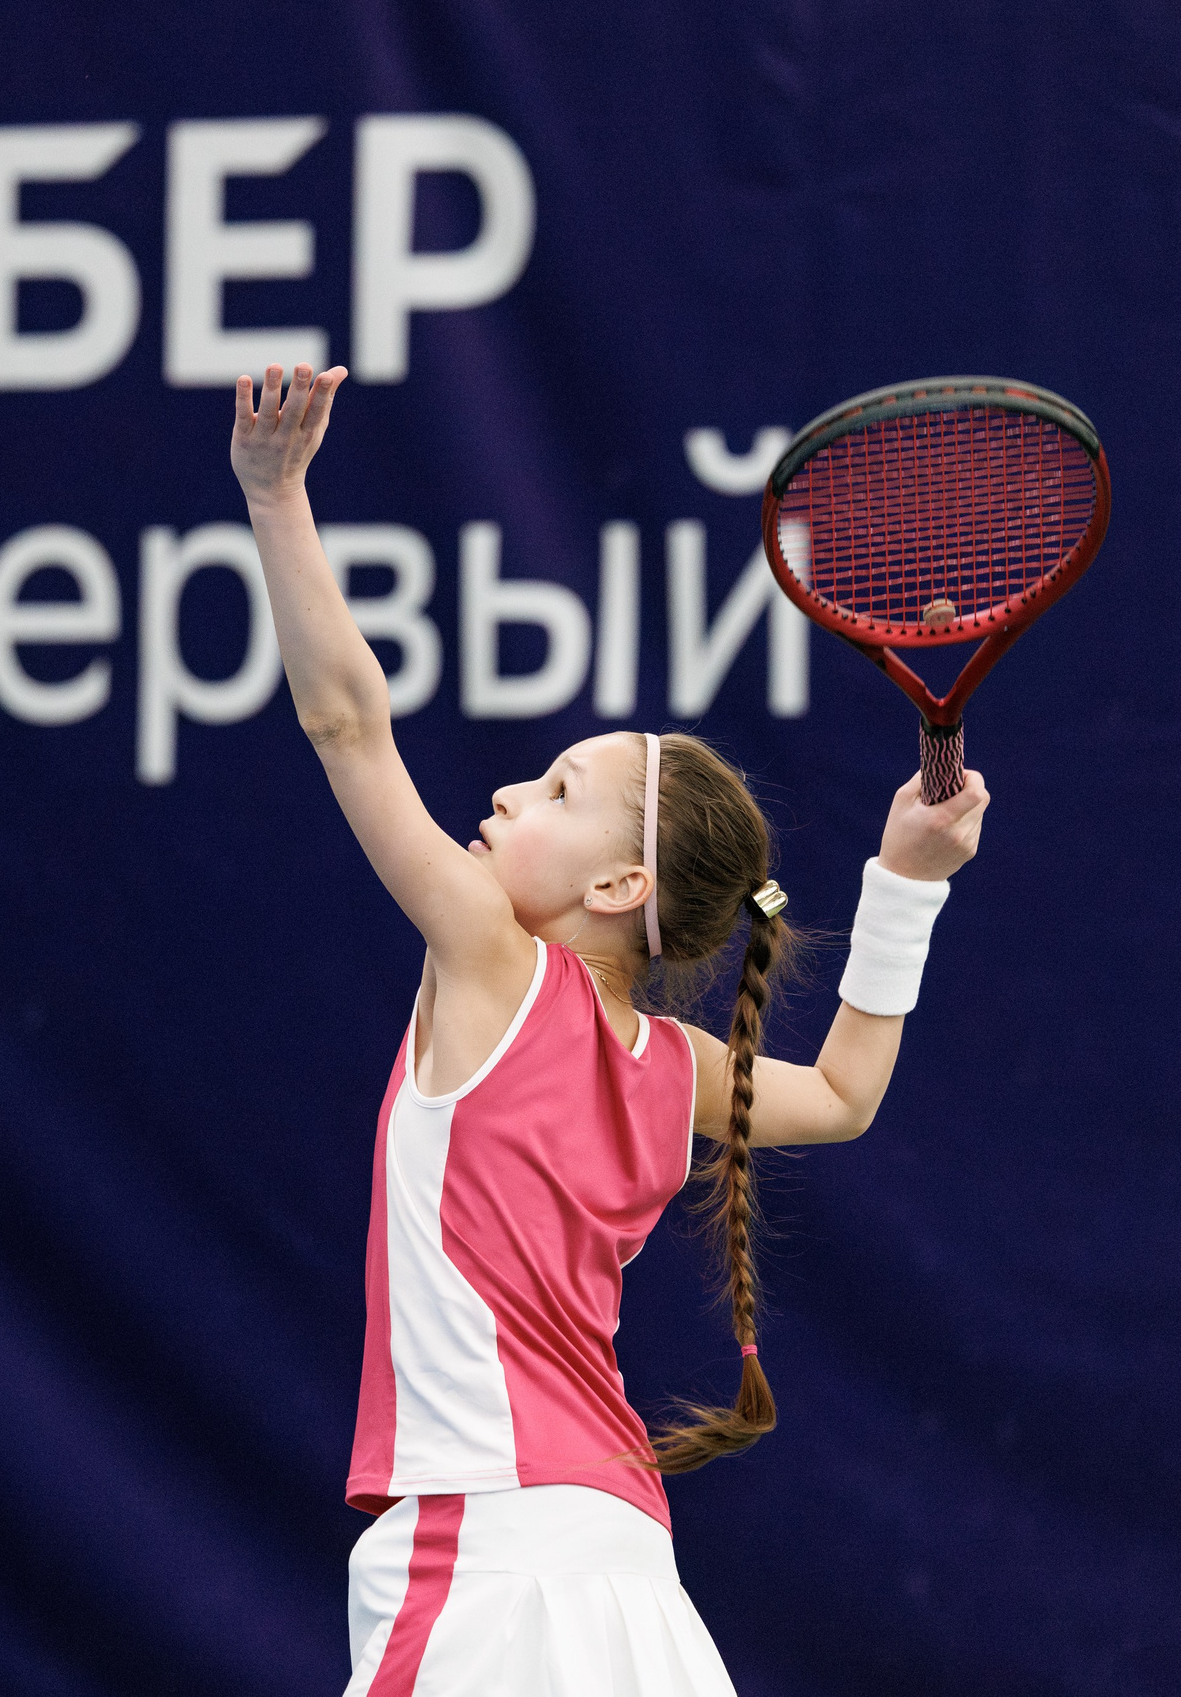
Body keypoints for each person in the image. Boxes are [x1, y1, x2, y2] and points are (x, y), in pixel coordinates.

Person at [232, 364, 988, 1697]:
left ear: (618, 888)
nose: (512, 792)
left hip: (489, 1557)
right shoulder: (671, 1070)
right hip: (634, 1587)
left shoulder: (489, 961)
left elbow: (344, 720)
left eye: (560, 788)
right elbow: (848, 1093)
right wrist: (906, 881)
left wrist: (277, 497)